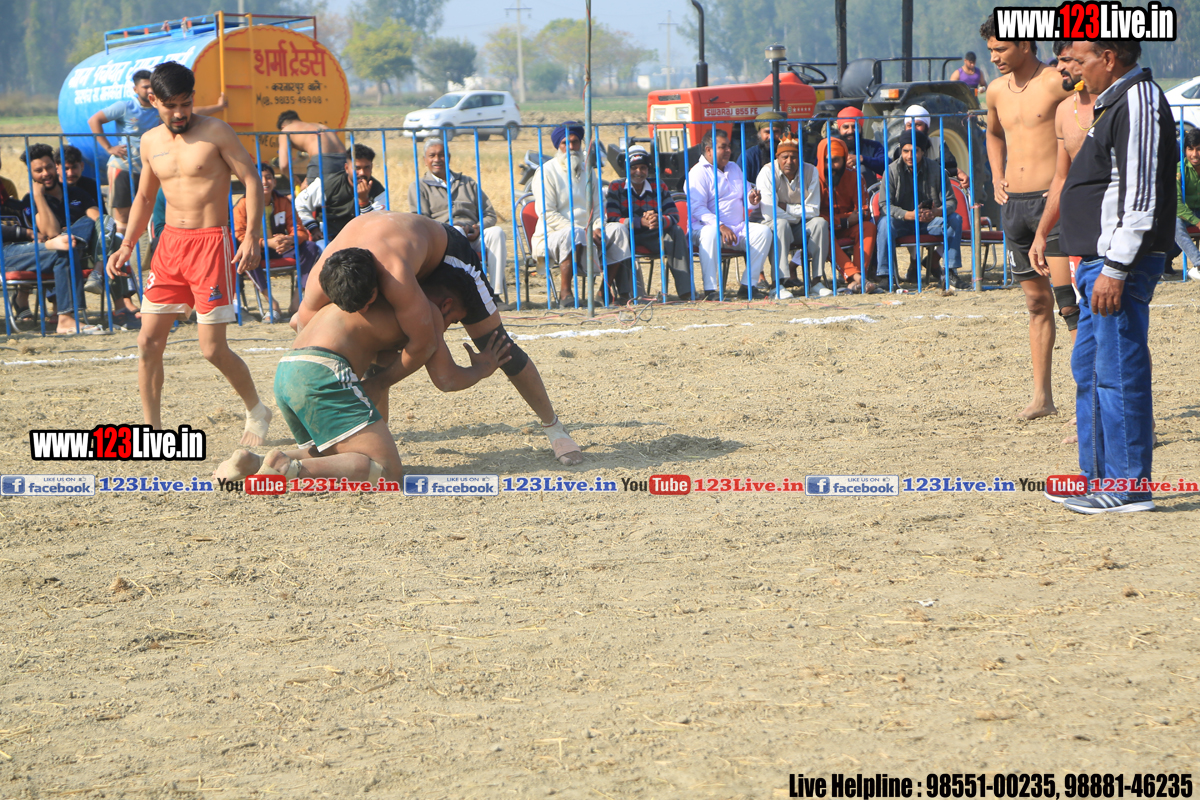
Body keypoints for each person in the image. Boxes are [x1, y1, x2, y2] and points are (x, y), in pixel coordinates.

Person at [296, 212, 584, 465]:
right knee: (371, 344)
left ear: (377, 285)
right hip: (393, 251)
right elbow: (303, 333)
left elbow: (428, 353)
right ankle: (376, 441)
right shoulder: (322, 278)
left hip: (446, 257)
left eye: (369, 302)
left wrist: (378, 383)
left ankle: (554, 428)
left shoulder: (395, 275)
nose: (365, 311)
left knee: (497, 344)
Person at [212, 248, 511, 484]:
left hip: (288, 370)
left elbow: (297, 322)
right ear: (446, 304)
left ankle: (253, 462)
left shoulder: (359, 291)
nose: (447, 326)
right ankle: (287, 468)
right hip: (323, 371)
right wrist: (483, 367)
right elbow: (446, 379)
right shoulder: (425, 310)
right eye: (454, 319)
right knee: (387, 471)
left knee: (337, 453)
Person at [105, 61, 271, 446]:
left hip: (211, 245)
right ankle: (152, 431)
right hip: (169, 246)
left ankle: (256, 410)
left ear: (193, 98)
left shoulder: (217, 131)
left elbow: (251, 179)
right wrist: (127, 244)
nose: (179, 113)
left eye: (185, 103)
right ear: (153, 100)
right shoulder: (149, 141)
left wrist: (252, 236)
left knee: (212, 349)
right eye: (170, 106)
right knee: (147, 343)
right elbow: (145, 197)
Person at [1056, 39, 1176, 514]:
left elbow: (1141, 192)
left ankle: (1128, 486)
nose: (1076, 70)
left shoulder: (1139, 99)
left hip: (1116, 266)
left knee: (1118, 373)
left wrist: (1117, 266)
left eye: (1080, 59)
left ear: (1108, 58)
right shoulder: (1114, 102)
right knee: (1090, 371)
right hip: (1095, 264)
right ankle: (1099, 477)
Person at [982, 12, 1072, 420]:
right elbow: (993, 133)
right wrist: (996, 174)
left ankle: (1088, 401)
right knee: (1037, 304)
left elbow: (1083, 121)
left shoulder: (1055, 81)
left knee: (1069, 305)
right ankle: (1042, 398)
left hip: (1053, 204)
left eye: (1001, 49)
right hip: (1014, 207)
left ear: (1025, 44)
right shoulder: (995, 90)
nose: (994, 57)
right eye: (990, 50)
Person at [89, 69, 226, 236]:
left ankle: (143, 248)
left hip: (152, 167)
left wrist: (219, 107)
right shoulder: (125, 107)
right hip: (124, 166)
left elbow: (193, 110)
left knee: (149, 209)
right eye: (145, 87)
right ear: (135, 89)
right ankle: (123, 248)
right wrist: (109, 148)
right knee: (123, 213)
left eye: (151, 87)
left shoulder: (165, 108)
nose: (149, 90)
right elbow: (94, 120)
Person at [529, 121, 624, 308]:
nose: (571, 147)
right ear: (558, 146)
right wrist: (583, 231)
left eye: (575, 142)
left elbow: (598, 207)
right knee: (574, 233)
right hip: (551, 236)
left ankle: (603, 292)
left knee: (619, 230)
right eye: (566, 143)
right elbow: (547, 213)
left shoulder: (589, 171)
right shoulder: (546, 172)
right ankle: (565, 293)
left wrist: (598, 227)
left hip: (587, 232)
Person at [407, 137, 508, 300]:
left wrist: (478, 228)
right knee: (457, 231)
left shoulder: (467, 183)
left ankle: (494, 294)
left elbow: (489, 214)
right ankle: (465, 295)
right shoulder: (419, 187)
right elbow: (422, 221)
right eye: (432, 156)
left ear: (448, 157)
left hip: (473, 235)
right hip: (444, 239)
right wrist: (452, 230)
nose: (437, 159)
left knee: (497, 233)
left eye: (441, 155)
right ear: (425, 160)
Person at [16, 143, 96, 334]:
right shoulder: (29, 200)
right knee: (63, 246)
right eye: (39, 170)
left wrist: (73, 231)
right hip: (54, 254)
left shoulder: (76, 192)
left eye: (49, 167)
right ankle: (65, 318)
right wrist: (39, 197)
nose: (46, 173)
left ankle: (121, 305)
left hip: (83, 249)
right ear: (30, 173)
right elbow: (51, 233)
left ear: (56, 165)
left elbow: (98, 219)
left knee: (89, 223)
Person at [688, 129, 771, 300]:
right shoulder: (698, 173)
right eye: (723, 147)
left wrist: (752, 199)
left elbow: (747, 195)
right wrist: (720, 226)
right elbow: (697, 208)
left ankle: (748, 286)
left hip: (736, 228)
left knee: (763, 233)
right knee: (711, 233)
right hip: (704, 230)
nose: (728, 151)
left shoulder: (734, 167)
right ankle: (711, 291)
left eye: (729, 147)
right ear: (708, 150)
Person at [233, 162, 323, 321]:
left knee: (310, 247)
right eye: (259, 178)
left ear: (275, 182)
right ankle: (272, 304)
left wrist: (289, 239)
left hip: (281, 248)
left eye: (268, 177)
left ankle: (297, 301)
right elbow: (240, 235)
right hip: (257, 250)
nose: (264, 182)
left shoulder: (283, 202)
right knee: (245, 254)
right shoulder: (242, 205)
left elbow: (300, 230)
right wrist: (266, 243)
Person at [876, 132, 963, 286]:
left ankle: (950, 272)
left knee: (955, 219)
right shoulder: (891, 171)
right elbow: (884, 205)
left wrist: (936, 212)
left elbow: (951, 201)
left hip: (929, 222)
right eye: (905, 151)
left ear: (923, 151)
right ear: (900, 151)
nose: (909, 156)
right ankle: (885, 275)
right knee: (884, 224)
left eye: (914, 151)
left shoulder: (937, 170)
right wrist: (910, 215)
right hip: (902, 222)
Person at [604, 145, 690, 302]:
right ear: (627, 168)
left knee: (676, 231)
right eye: (634, 168)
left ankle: (686, 291)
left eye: (643, 168)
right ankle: (626, 294)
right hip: (628, 235)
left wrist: (658, 219)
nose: (639, 172)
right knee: (620, 234)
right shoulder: (616, 187)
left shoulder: (659, 185)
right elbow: (612, 219)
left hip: (654, 234)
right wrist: (639, 222)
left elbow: (674, 215)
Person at [754, 130, 827, 293]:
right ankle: (778, 283)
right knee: (780, 224)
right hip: (772, 226)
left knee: (820, 223)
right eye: (785, 157)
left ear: (800, 158)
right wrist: (799, 212)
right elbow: (770, 212)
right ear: (777, 157)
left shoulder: (811, 171)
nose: (789, 161)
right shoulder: (767, 172)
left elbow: (814, 210)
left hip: (800, 225)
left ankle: (816, 282)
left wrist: (786, 207)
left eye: (794, 157)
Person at [816, 136, 877, 293]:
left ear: (845, 159)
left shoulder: (855, 176)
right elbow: (814, 215)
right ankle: (857, 278)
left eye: (836, 160)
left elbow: (863, 212)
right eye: (827, 161)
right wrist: (845, 220)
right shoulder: (813, 178)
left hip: (849, 226)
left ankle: (857, 278)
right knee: (821, 229)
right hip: (826, 228)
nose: (831, 166)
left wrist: (846, 221)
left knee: (868, 227)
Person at [900, 104, 969, 188]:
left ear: (927, 128)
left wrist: (953, 170)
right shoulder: (900, 148)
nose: (913, 129)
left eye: (918, 125)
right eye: (909, 125)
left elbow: (949, 162)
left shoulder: (938, 143)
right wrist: (954, 171)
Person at [277, 110, 349, 188]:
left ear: (283, 127)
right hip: (345, 160)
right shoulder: (318, 126)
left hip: (322, 160)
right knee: (341, 192)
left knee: (310, 193)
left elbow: (283, 165)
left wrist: (292, 178)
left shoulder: (286, 130)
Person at [1172, 128, 1200, 281]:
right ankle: (1199, 264)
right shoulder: (1179, 169)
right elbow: (1176, 204)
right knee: (1175, 223)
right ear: (1185, 150)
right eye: (1190, 149)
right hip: (1186, 214)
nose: (1194, 154)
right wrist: (1197, 221)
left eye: (1199, 149)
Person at [834, 107, 887, 178]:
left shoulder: (873, 147)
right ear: (839, 129)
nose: (850, 131)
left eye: (855, 127)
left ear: (861, 128)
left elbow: (888, 166)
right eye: (846, 127)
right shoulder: (831, 148)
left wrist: (863, 159)